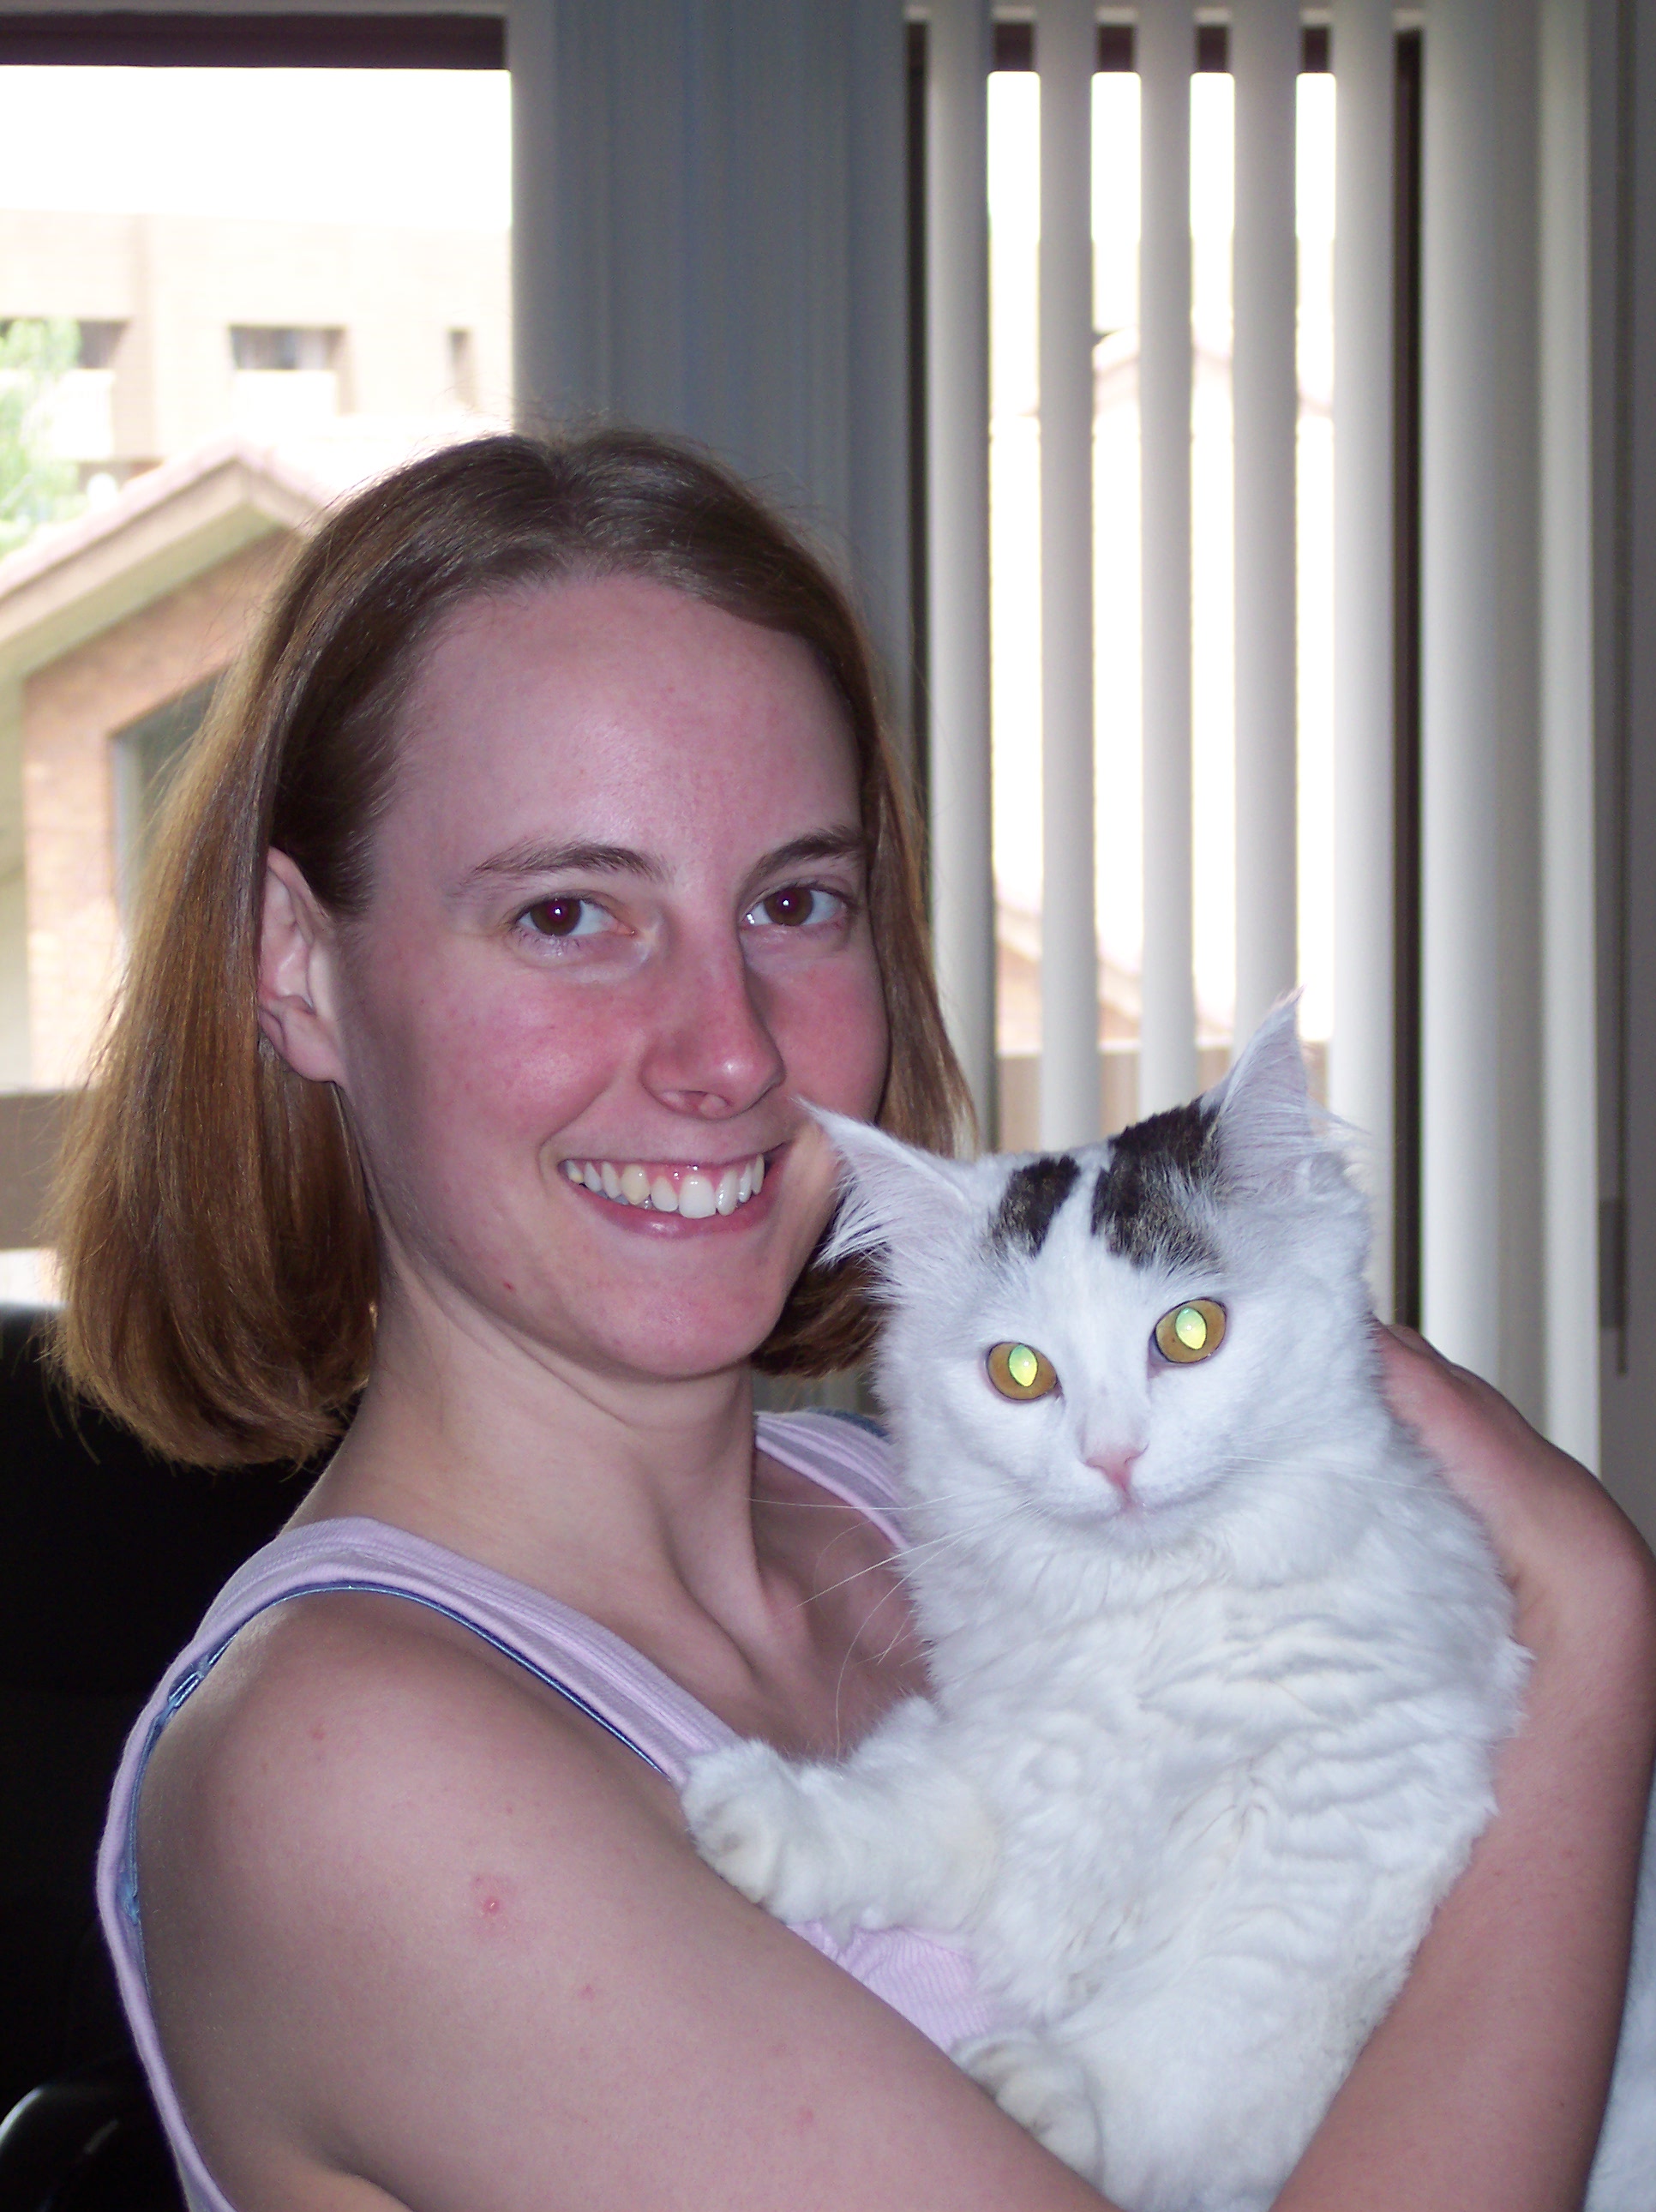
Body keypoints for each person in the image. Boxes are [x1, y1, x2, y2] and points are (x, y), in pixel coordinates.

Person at [57, 430, 1655, 2212]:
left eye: (795, 902)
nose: (731, 1050)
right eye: (569, 913)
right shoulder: (351, 1778)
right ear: (298, 964)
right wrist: (1591, 1633)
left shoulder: (926, 1511)